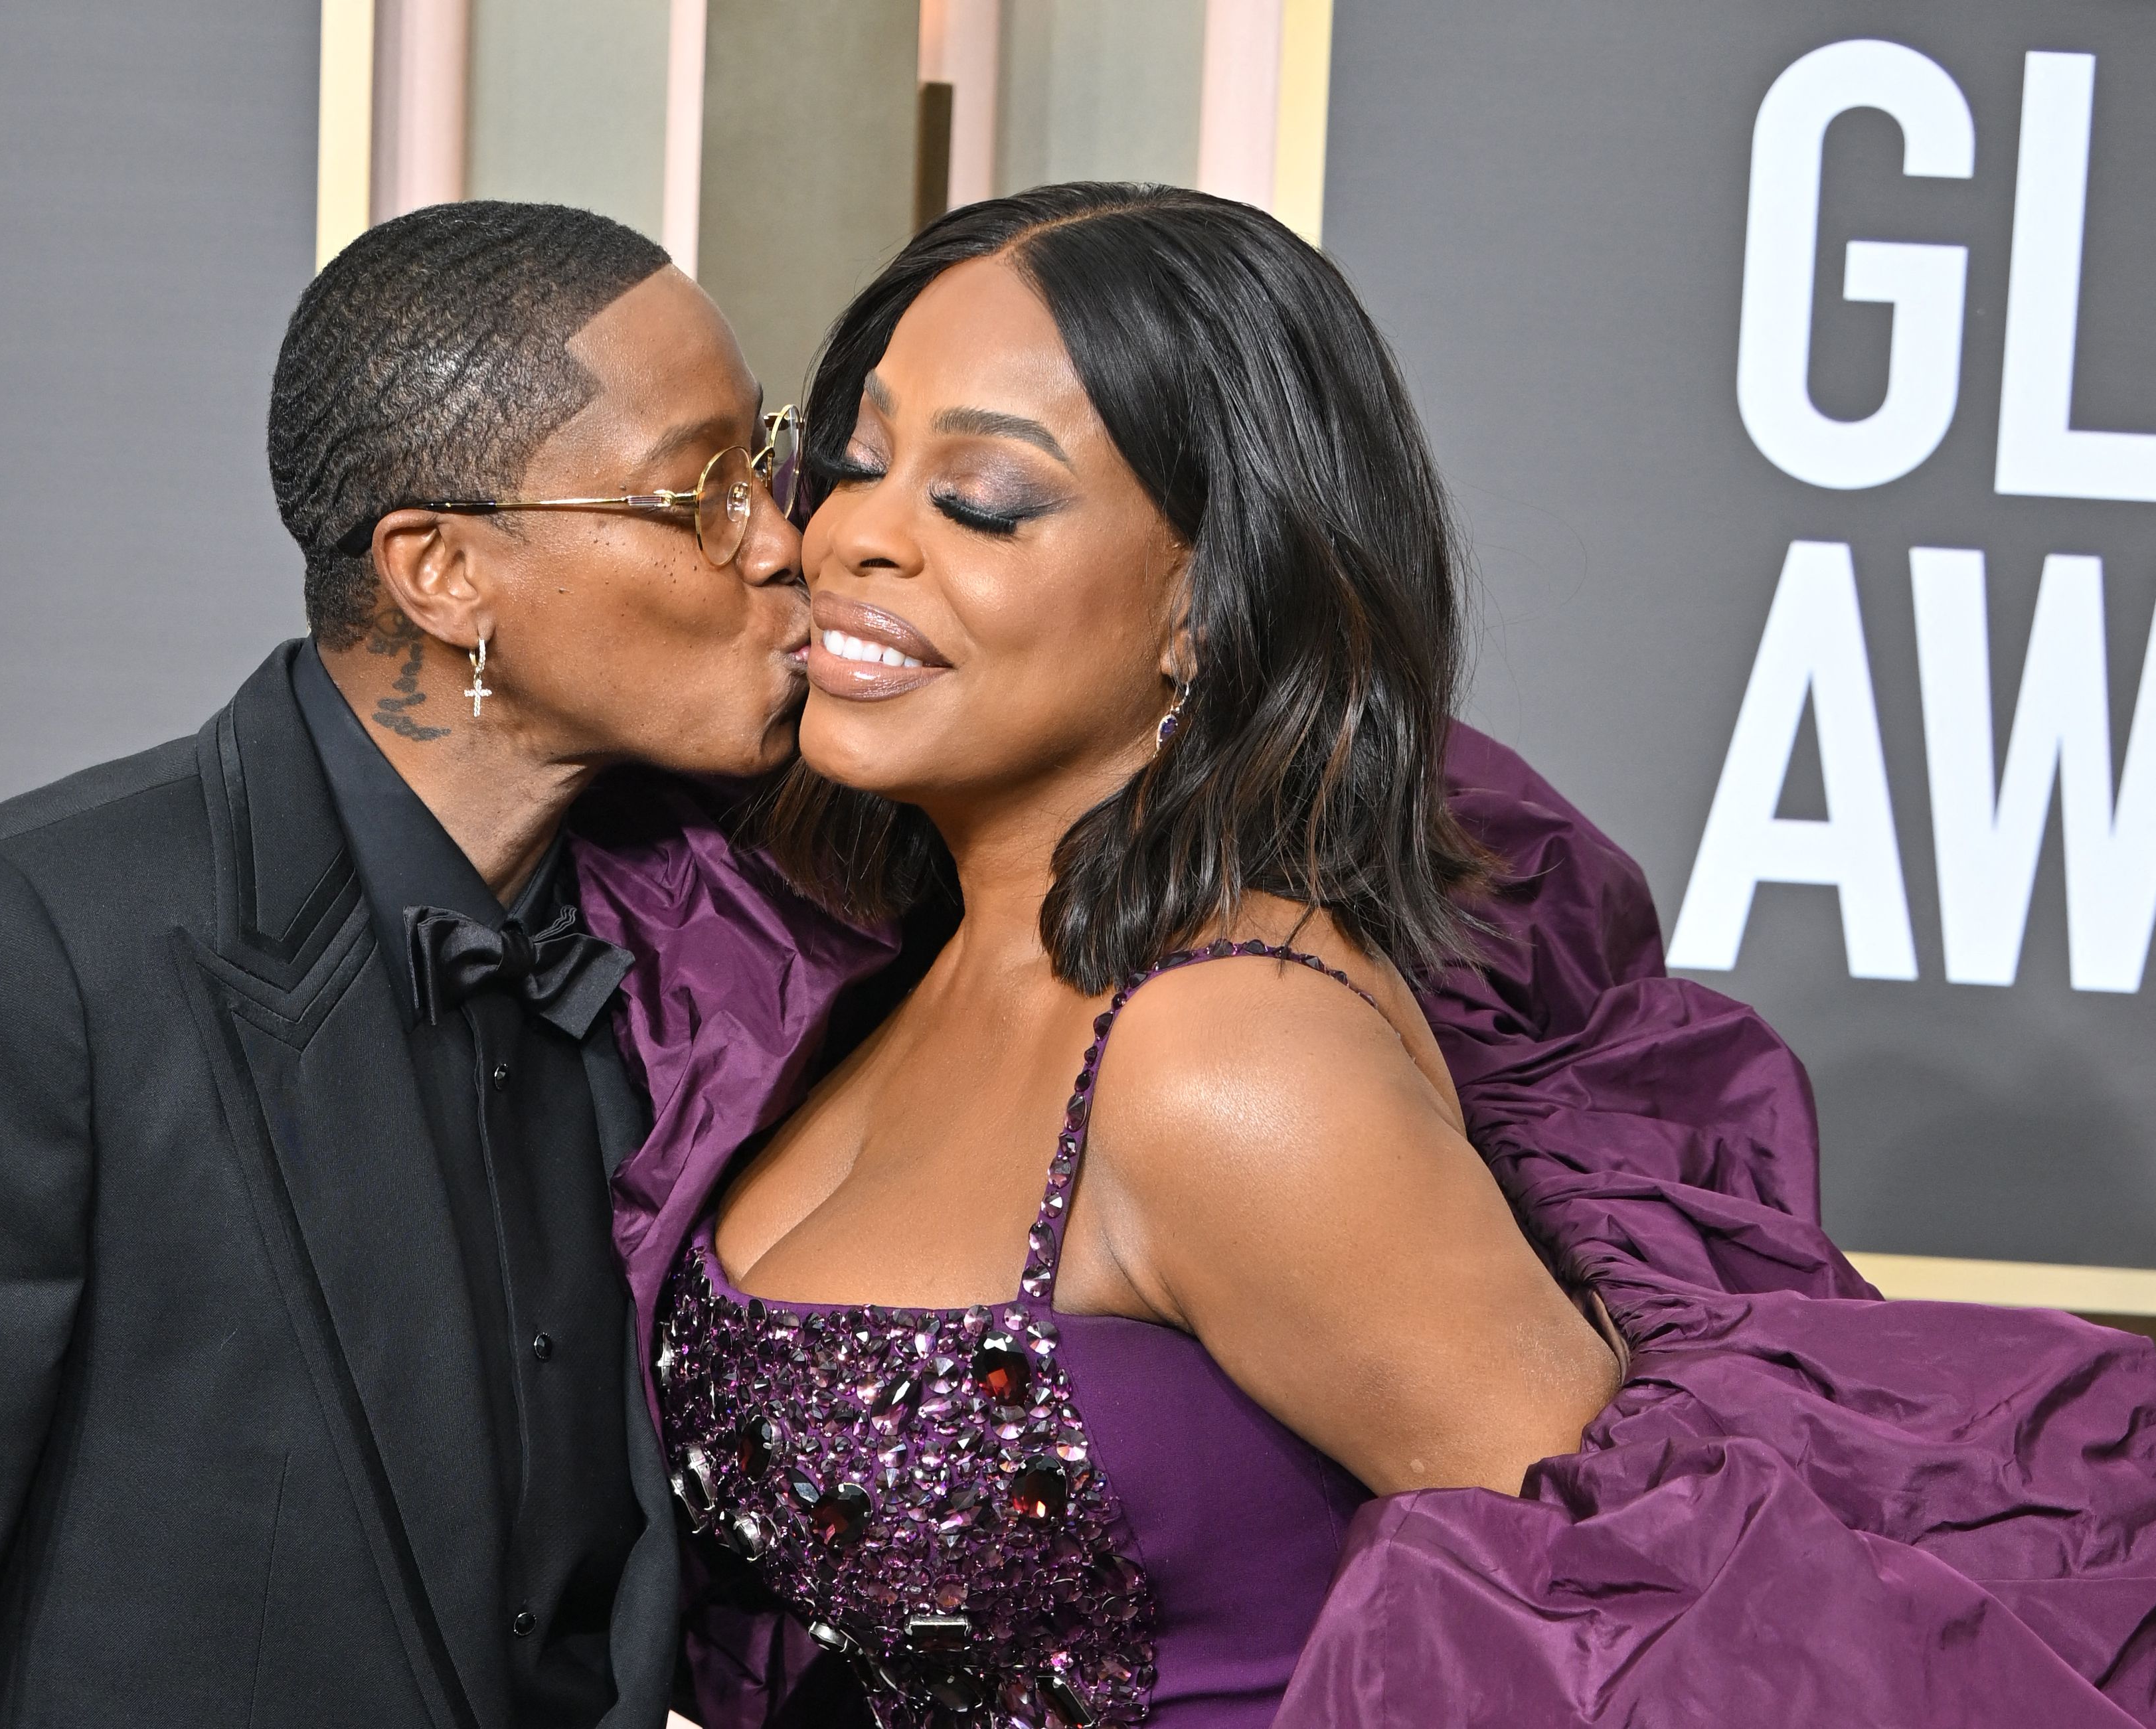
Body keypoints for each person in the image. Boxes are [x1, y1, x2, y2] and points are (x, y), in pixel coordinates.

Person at [612, 183, 2156, 1728]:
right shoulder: (885, 971)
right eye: (858, 460)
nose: (855, 537)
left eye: (985, 500)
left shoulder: (1224, 1057)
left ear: (1207, 607)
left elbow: (1634, 1637)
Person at [0, 200, 817, 1729]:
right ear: (441, 574)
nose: (779, 542)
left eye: (767, 461)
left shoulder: (693, 962)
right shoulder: (10, 942)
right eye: (699, 490)